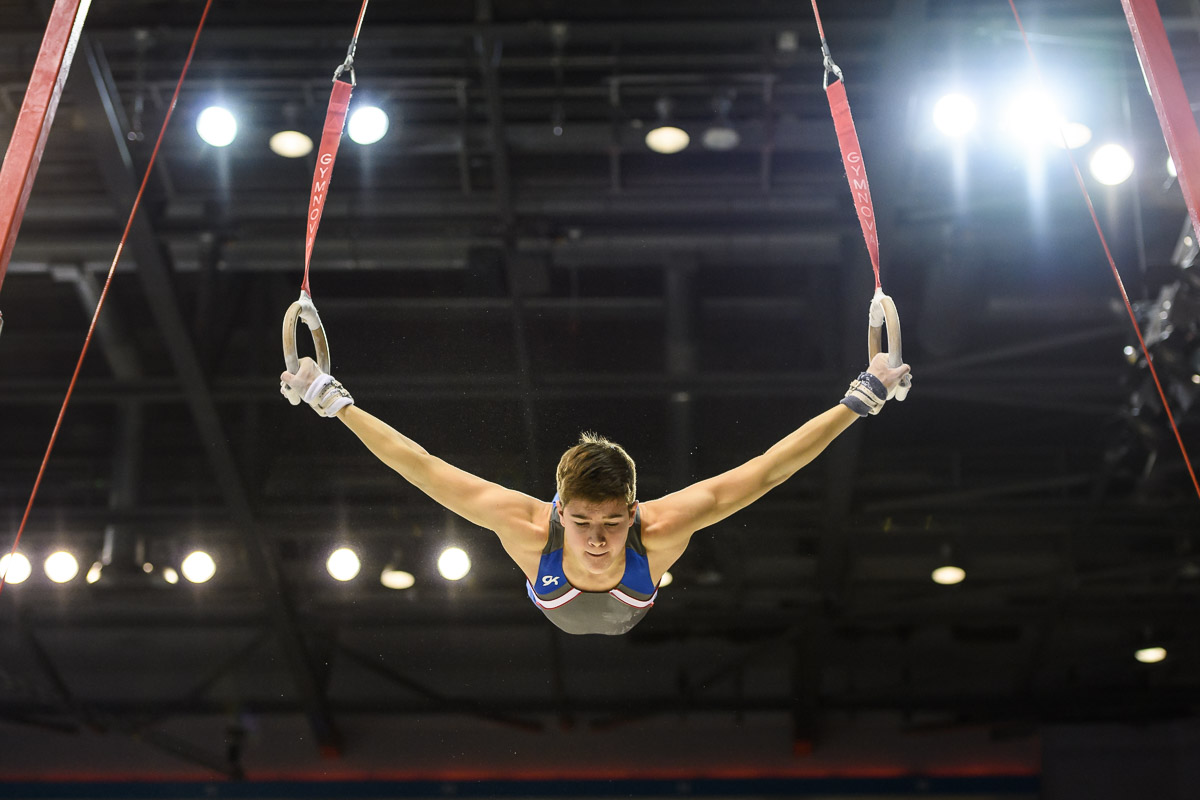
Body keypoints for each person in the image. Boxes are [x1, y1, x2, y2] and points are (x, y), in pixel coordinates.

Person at [281, 352, 911, 635]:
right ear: (558, 510)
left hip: (616, 603)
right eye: (582, 522)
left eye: (612, 521)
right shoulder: (527, 526)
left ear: (633, 510)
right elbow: (419, 465)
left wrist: (860, 399)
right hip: (590, 596)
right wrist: (333, 402)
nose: (601, 540)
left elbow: (768, 469)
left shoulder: (660, 528)